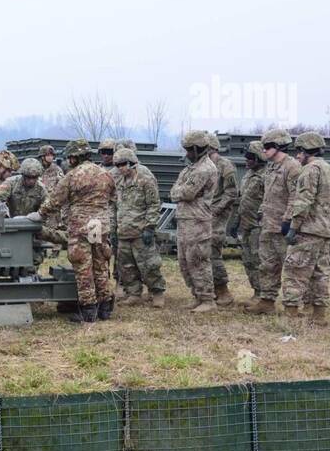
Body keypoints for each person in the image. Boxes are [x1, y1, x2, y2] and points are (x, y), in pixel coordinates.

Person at [28, 139, 116, 322]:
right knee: (100, 265)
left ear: (75, 157)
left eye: (70, 157)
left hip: (81, 225)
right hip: (100, 225)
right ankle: (105, 308)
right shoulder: (105, 174)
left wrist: (40, 214)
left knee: (83, 267)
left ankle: (88, 310)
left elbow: (55, 200)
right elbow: (114, 198)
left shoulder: (72, 176)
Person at [282, 132, 330, 325]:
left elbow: (303, 202)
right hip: (325, 231)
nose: (297, 156)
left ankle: (290, 315)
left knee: (294, 271)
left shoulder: (309, 171)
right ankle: (318, 316)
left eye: (299, 152)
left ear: (307, 151)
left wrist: (293, 227)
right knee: (320, 274)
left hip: (308, 230)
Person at [243, 129, 302, 315]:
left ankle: (295, 305)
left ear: (278, 147)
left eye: (267, 147)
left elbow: (296, 197)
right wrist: (261, 212)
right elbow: (267, 195)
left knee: (292, 268)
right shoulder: (271, 167)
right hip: (268, 224)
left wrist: (288, 220)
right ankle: (266, 301)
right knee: (267, 266)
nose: (264, 151)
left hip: (283, 227)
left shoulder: (292, 167)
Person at [169, 130, 219, 312]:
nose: (187, 153)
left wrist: (179, 192)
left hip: (197, 222)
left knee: (197, 260)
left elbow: (186, 193)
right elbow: (174, 191)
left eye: (190, 149)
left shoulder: (205, 169)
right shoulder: (191, 168)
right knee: (184, 261)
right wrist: (179, 192)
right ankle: (198, 296)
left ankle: (208, 299)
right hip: (186, 220)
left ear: (198, 149)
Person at [112, 147, 165, 308]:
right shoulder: (119, 182)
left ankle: (157, 293)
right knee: (126, 267)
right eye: (117, 165)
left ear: (131, 163)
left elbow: (154, 204)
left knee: (149, 265)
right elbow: (115, 206)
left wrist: (150, 227)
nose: (120, 168)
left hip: (141, 230)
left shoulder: (145, 180)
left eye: (122, 164)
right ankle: (134, 293)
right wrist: (114, 228)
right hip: (123, 231)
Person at [207, 134, 240, 306]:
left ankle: (223, 291)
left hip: (217, 216)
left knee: (212, 251)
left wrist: (216, 209)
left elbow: (232, 192)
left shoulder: (225, 166)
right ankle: (209, 291)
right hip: (204, 215)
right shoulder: (203, 166)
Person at [233, 140, 266, 298]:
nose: (246, 160)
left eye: (250, 157)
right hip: (246, 225)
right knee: (248, 260)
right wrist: (236, 222)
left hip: (259, 226)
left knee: (258, 260)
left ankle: (263, 293)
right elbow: (243, 200)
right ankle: (256, 291)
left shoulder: (267, 176)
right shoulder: (247, 176)